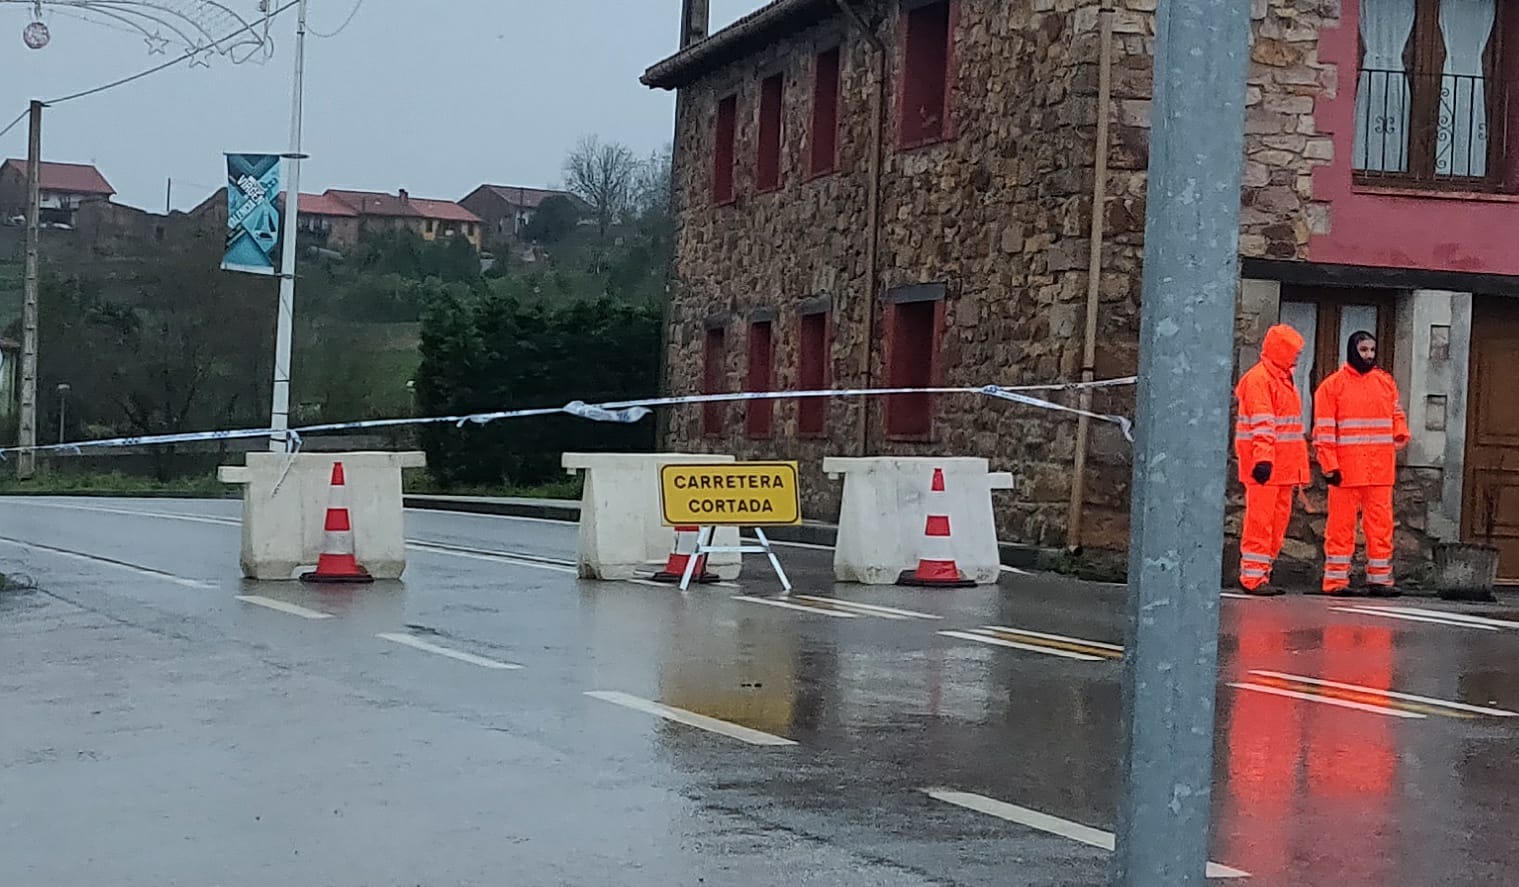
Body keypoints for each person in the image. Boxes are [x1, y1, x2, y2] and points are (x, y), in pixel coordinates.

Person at [1312, 331, 1410, 596]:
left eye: (1371, 350)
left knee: (1381, 528)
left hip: (1379, 470)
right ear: (1352, 350)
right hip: (1346, 471)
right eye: (1364, 350)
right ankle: (1335, 581)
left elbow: (1396, 413)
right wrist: (1329, 466)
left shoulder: (1385, 383)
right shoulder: (1331, 387)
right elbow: (1323, 431)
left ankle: (1379, 579)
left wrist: (1400, 431)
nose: (1368, 355)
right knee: (1340, 528)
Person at [1234, 324, 1310, 596]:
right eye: (1295, 352)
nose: (1298, 357)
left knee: (1275, 524)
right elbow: (1262, 424)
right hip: (1265, 468)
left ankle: (1262, 574)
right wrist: (1263, 461)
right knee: (1261, 522)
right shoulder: (1260, 380)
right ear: (1281, 351)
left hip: (1282, 468)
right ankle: (1252, 578)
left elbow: (1279, 427)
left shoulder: (1280, 379)